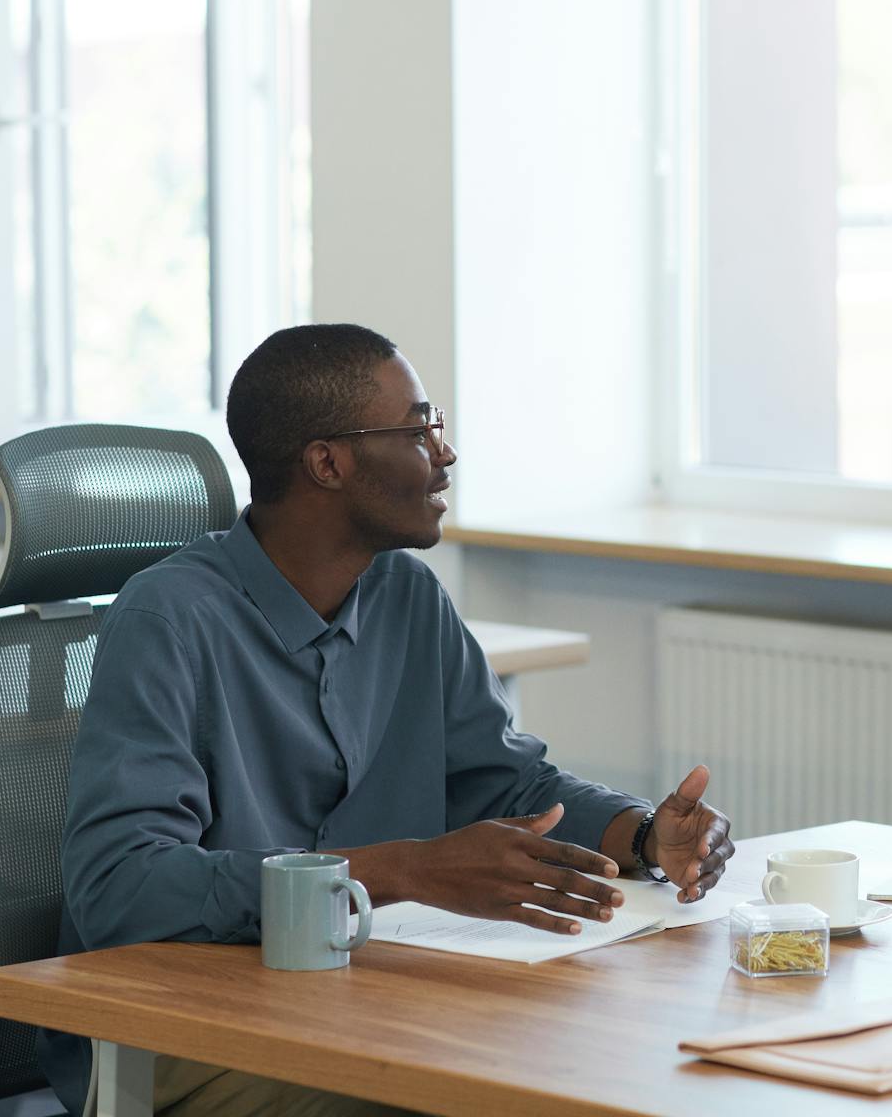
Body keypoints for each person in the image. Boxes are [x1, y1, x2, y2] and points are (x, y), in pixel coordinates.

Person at [43, 323, 734, 1115]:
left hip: (365, 998)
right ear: (327, 462)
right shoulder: (168, 619)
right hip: (189, 1026)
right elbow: (120, 887)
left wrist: (643, 835)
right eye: (418, 429)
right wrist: (401, 872)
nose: (443, 455)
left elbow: (508, 784)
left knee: (605, 1050)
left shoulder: (407, 596)